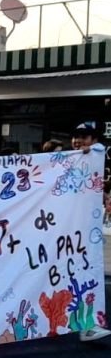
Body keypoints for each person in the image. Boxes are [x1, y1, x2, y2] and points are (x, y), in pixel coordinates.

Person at [70, 121, 111, 342]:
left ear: (93, 140)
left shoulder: (94, 156)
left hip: (83, 236)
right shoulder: (60, 163)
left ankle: (88, 324)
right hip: (55, 235)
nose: (79, 141)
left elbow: (100, 150)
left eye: (85, 138)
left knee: (86, 275)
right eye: (76, 137)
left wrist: (92, 151)